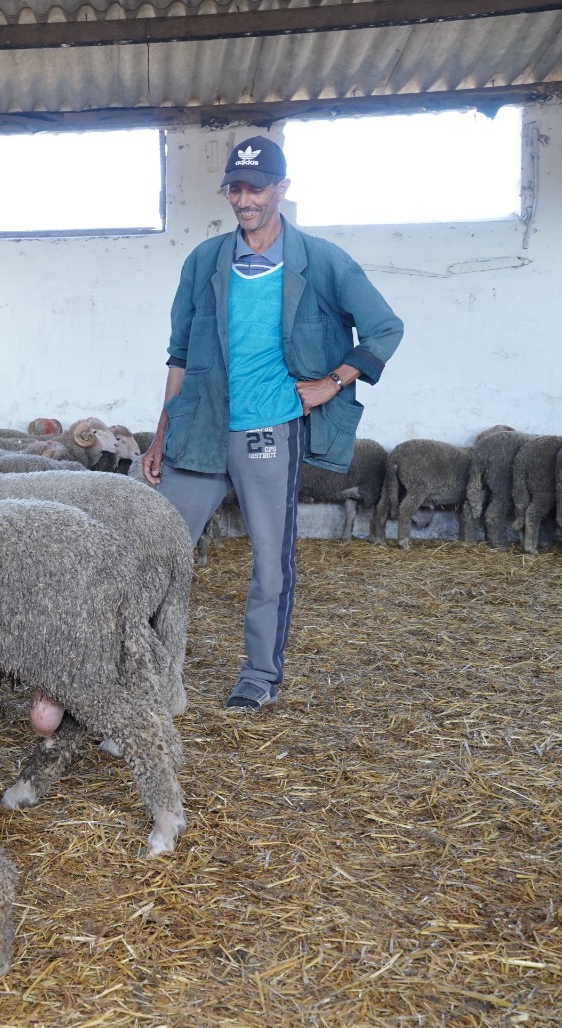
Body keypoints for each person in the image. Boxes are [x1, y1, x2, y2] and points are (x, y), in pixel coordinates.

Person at [141, 134, 402, 712]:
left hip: (269, 431)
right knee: (159, 555)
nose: (244, 199)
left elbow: (385, 328)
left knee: (269, 558)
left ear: (281, 188)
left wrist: (333, 381)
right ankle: (152, 675)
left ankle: (259, 674)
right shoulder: (205, 261)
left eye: (256, 188)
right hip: (200, 430)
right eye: (235, 188)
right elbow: (179, 355)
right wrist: (161, 435)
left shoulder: (322, 261)